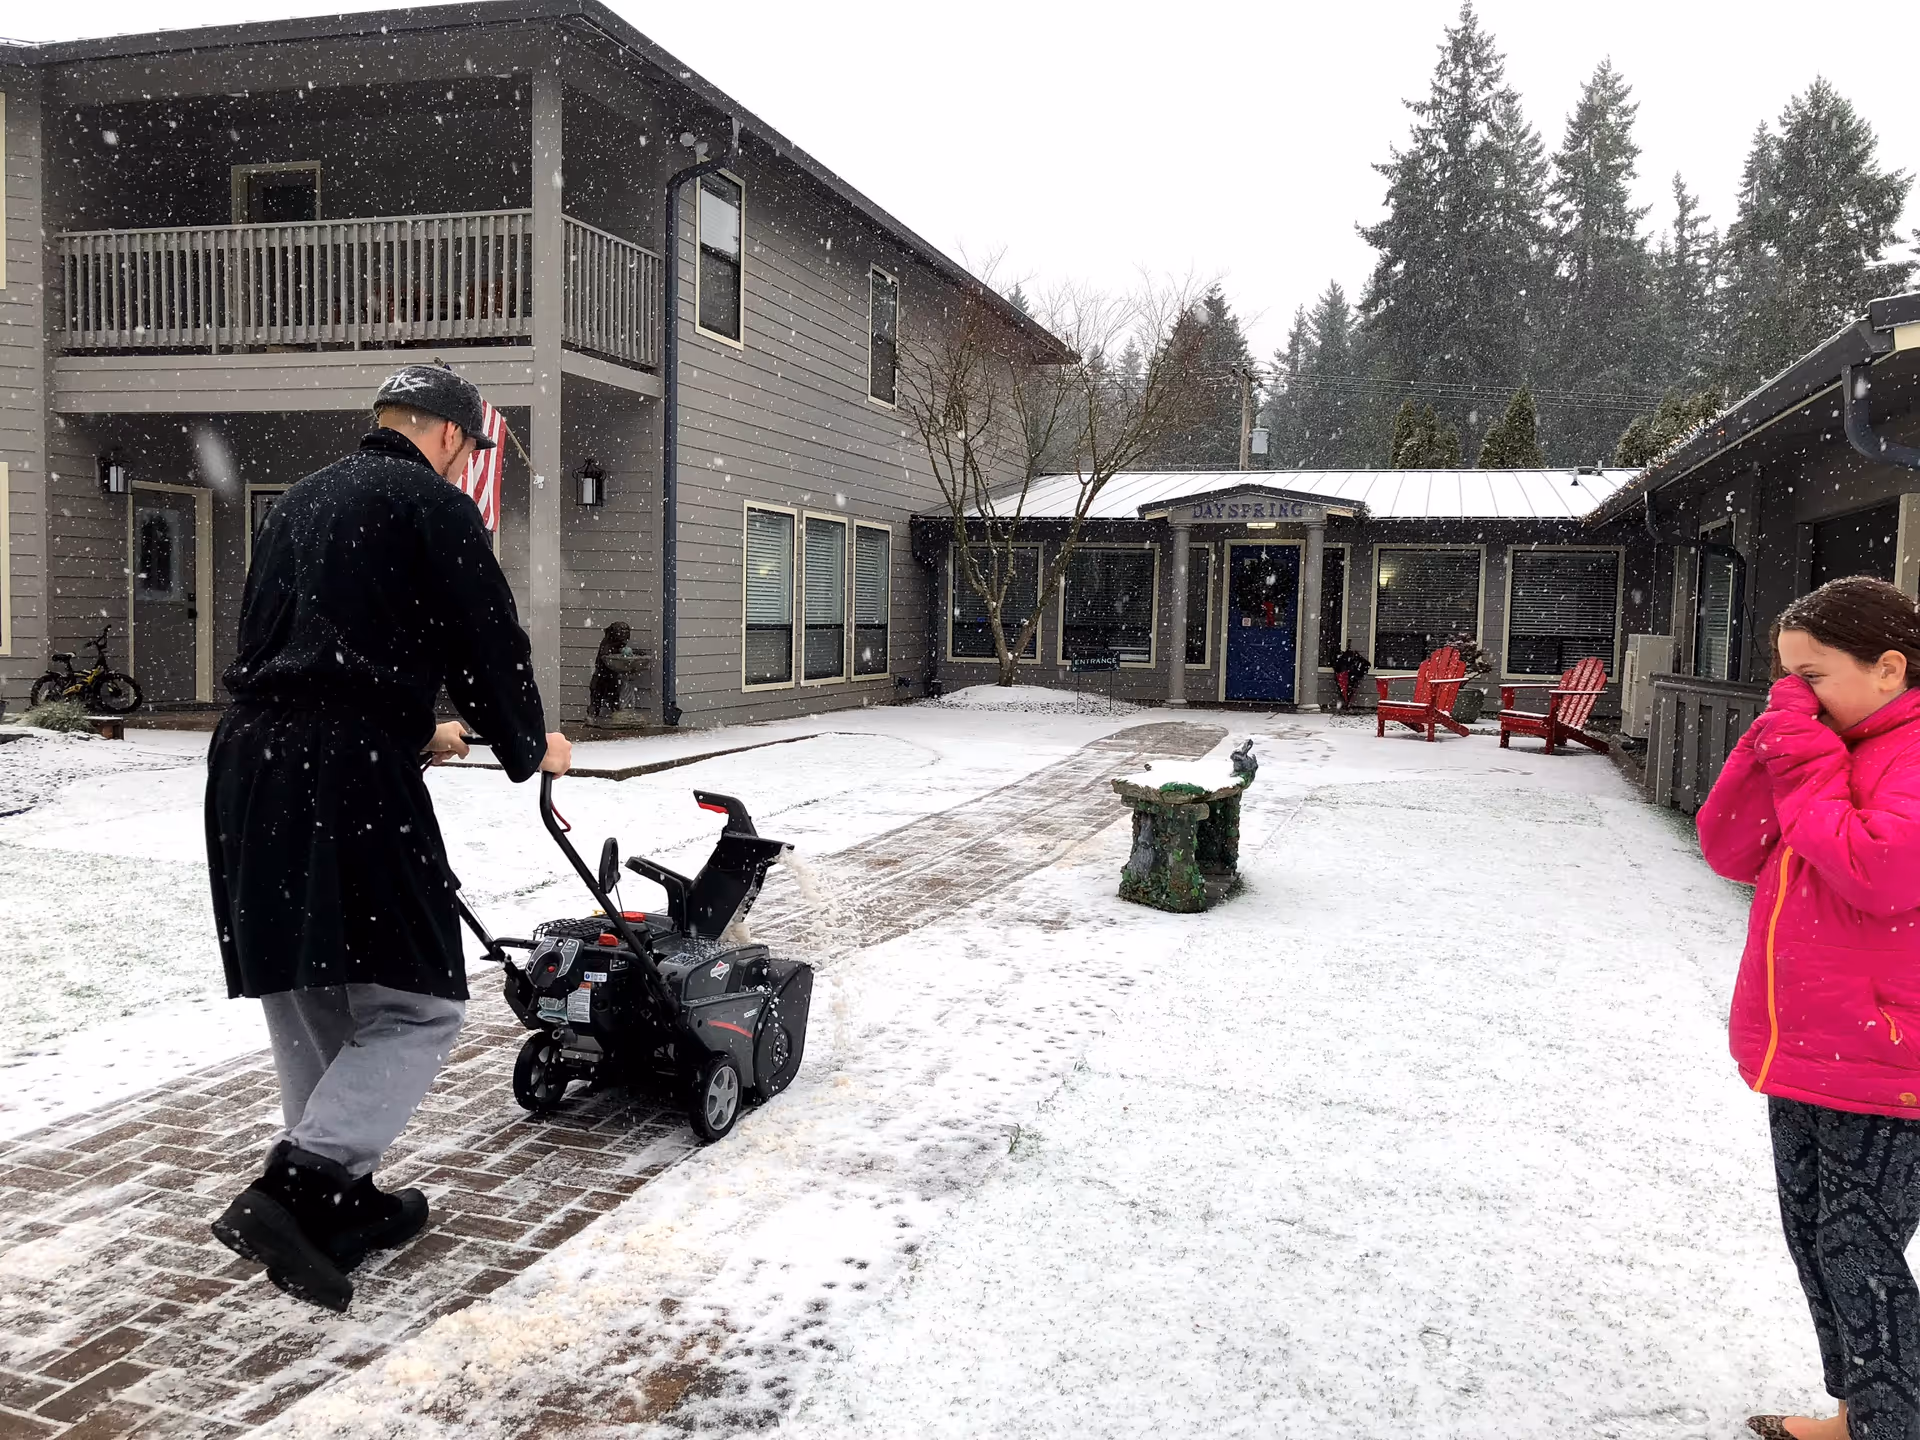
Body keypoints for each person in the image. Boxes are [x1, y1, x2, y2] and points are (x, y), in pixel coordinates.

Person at [204, 364, 572, 1313]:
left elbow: (305, 648)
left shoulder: (299, 505)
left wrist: (416, 728)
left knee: (311, 981)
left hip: (250, 764)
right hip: (343, 773)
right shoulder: (432, 505)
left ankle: (343, 1204)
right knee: (420, 999)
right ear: (449, 436)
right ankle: (294, 1189)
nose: (464, 468)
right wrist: (532, 745)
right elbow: (491, 645)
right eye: (468, 452)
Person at [1696, 576, 1920, 1440]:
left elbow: (1880, 870)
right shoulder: (1824, 746)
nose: (1796, 696)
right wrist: (1773, 746)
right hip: (1807, 1047)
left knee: (1861, 1255)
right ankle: (1859, 1413)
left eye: (1813, 676)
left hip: (1886, 1056)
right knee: (1821, 1246)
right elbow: (1728, 847)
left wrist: (1808, 755)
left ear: (1890, 668)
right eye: (1784, 679)